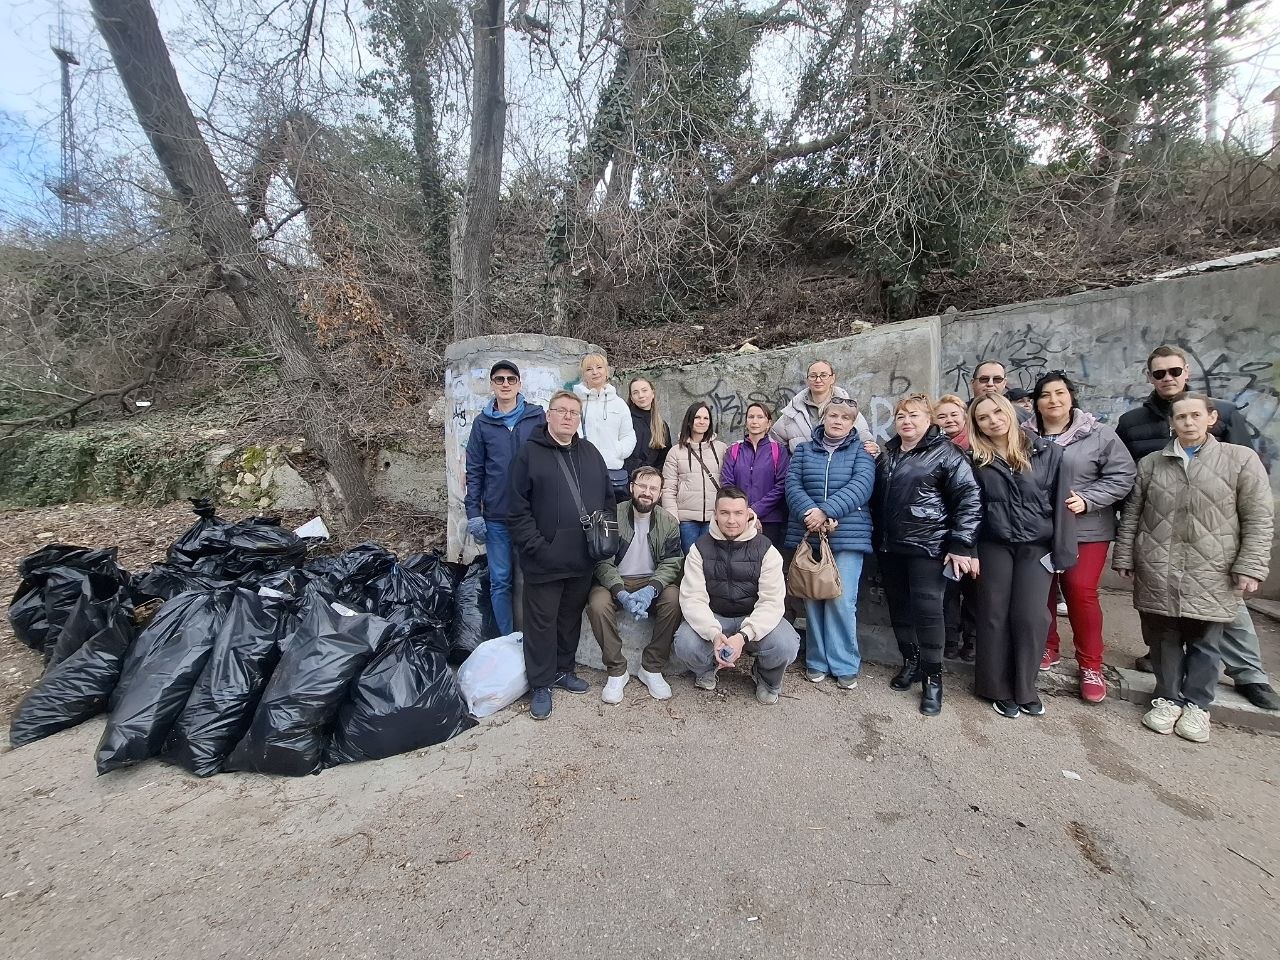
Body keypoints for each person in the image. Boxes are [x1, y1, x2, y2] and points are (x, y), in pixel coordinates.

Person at [1115, 344, 1280, 710]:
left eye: (1174, 371)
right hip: (1159, 538)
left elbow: (1250, 490)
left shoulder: (1226, 415)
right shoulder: (1131, 423)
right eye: (1159, 373)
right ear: (1150, 378)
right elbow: (1128, 484)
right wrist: (1127, 544)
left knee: (1226, 615)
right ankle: (1165, 678)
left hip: (1212, 541)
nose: (1168, 378)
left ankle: (1249, 675)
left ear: (1186, 373)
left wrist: (1248, 558)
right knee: (1160, 618)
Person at [1022, 372, 1136, 703]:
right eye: (1046, 395)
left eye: (1060, 393)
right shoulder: (1024, 435)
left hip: (1086, 530)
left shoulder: (1099, 435)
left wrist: (1088, 499)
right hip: (1037, 528)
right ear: (1036, 402)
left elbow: (1123, 475)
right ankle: (1048, 646)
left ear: (1071, 397)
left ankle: (1091, 665)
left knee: (1080, 591)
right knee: (1040, 591)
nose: (1053, 400)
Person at [507, 390, 614, 720]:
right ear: (549, 415)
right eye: (562, 411)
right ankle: (540, 683)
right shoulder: (528, 455)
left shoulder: (591, 453)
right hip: (544, 560)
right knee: (541, 623)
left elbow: (608, 498)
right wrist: (538, 547)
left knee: (569, 619)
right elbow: (515, 509)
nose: (568, 416)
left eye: (573, 412)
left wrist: (603, 541)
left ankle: (563, 670)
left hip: (582, 558)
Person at [872, 393, 981, 716]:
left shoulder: (947, 453)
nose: (907, 421)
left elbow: (969, 498)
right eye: (902, 416)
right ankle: (912, 662)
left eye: (915, 416)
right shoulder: (888, 453)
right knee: (900, 609)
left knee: (928, 611)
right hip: (891, 546)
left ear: (929, 420)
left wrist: (962, 543)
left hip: (929, 547)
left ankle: (934, 679)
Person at [968, 393, 1076, 718]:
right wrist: (968, 548)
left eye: (997, 412)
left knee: (1031, 616)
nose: (993, 420)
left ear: (1011, 413)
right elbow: (968, 509)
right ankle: (996, 687)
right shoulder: (974, 459)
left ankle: (1025, 687)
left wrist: (1063, 553)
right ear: (977, 425)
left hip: (1036, 546)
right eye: (983, 417)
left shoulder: (1049, 453)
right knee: (993, 614)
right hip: (993, 544)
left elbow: (1061, 505)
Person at [673, 486, 800, 705]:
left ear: (748, 513)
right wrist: (714, 634)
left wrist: (744, 636)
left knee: (785, 645)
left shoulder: (766, 550)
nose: (731, 520)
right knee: (684, 643)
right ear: (715, 514)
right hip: (715, 617)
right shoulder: (699, 549)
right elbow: (693, 598)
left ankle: (767, 678)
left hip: (753, 617)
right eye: (725, 513)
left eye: (737, 513)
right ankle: (706, 668)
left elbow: (771, 602)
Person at [785, 400, 875, 688]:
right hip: (810, 531)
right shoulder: (802, 450)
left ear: (853, 423)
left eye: (845, 417)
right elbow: (792, 485)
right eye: (833, 415)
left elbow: (861, 486)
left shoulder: (861, 451)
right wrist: (811, 514)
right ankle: (816, 660)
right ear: (824, 418)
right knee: (812, 596)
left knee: (840, 599)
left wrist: (827, 511)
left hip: (848, 535)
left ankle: (844, 662)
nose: (838, 421)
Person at [586, 467, 684, 705]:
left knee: (674, 598)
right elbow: (602, 562)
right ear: (631, 487)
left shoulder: (668, 521)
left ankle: (651, 667)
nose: (647, 493)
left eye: (653, 489)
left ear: (660, 494)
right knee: (597, 604)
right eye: (642, 486)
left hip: (650, 580)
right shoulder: (612, 515)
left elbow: (672, 562)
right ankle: (617, 670)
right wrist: (620, 593)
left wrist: (651, 589)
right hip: (616, 580)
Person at [464, 361, 547, 635]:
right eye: (499, 379)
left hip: (531, 515)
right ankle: (507, 639)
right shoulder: (482, 423)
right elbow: (474, 470)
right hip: (497, 517)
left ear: (520, 384)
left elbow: (550, 461)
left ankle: (532, 640)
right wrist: (473, 513)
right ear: (492, 385)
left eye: (511, 379)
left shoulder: (537, 417)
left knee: (534, 578)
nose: (505, 384)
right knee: (500, 580)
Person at [934, 393, 977, 663]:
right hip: (942, 528)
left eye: (953, 414)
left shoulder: (978, 446)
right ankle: (949, 637)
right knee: (948, 586)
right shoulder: (934, 448)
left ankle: (971, 639)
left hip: (974, 527)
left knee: (973, 588)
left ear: (964, 416)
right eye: (942, 416)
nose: (949, 420)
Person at [772, 359, 879, 456]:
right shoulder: (793, 411)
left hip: (840, 474)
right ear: (807, 380)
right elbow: (773, 444)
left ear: (832, 378)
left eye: (823, 375)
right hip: (804, 474)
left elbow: (868, 443)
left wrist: (874, 449)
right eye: (813, 376)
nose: (818, 380)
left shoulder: (848, 409)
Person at [661, 402, 729, 554]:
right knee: (690, 562)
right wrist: (673, 517)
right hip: (686, 521)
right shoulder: (675, 451)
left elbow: (729, 482)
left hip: (714, 518)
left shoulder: (721, 449)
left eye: (706, 418)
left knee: (712, 562)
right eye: (697, 417)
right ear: (690, 420)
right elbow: (668, 488)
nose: (702, 421)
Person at [721, 402, 791, 548]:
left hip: (771, 520)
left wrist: (756, 511)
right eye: (751, 417)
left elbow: (781, 486)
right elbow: (727, 484)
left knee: (767, 564)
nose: (755, 421)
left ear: (768, 423)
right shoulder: (734, 450)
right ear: (746, 422)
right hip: (738, 519)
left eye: (760, 417)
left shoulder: (778, 450)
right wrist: (745, 512)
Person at [574, 352, 637, 502]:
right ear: (583, 374)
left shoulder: (618, 403)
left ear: (607, 371)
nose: (595, 372)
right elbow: (572, 433)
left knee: (611, 518)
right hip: (583, 471)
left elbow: (628, 435)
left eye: (599, 367)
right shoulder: (576, 402)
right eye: (589, 369)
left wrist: (618, 452)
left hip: (612, 472)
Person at [622, 377, 671, 476]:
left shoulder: (661, 425)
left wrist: (654, 476)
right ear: (631, 398)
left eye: (644, 390)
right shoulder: (625, 419)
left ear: (652, 393)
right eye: (635, 392)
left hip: (652, 482)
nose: (641, 395)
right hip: (628, 479)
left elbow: (664, 458)